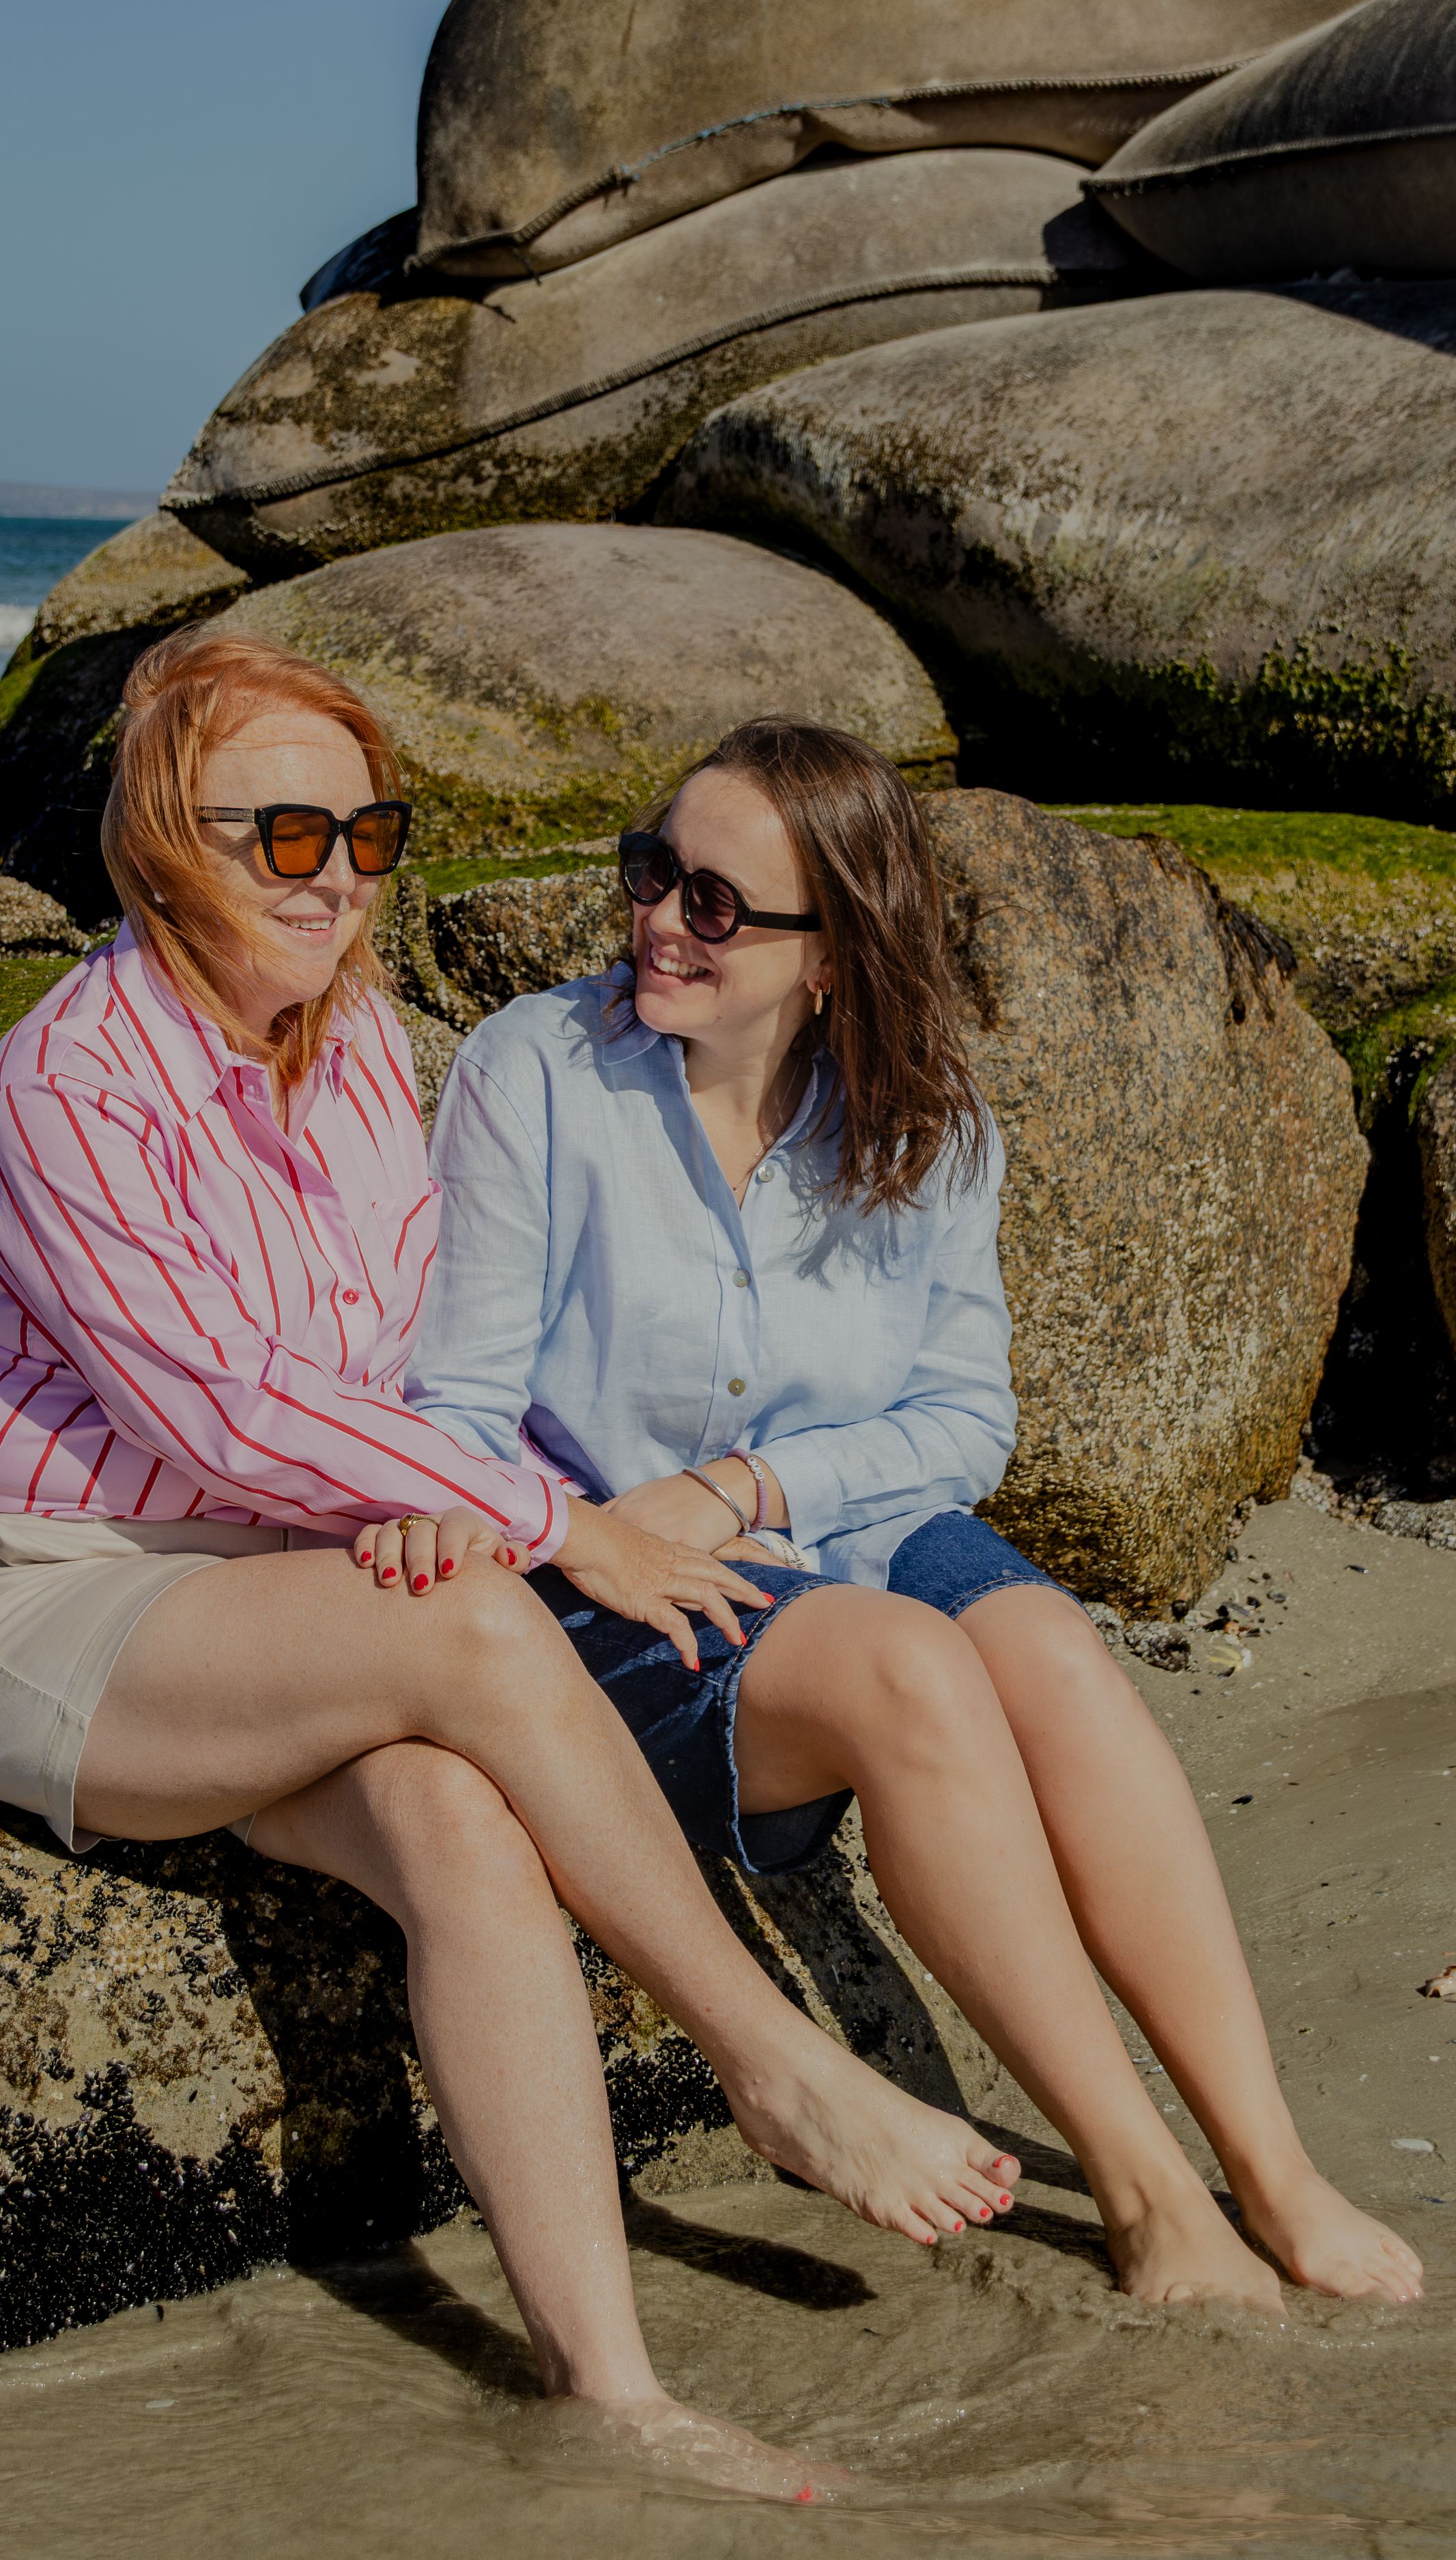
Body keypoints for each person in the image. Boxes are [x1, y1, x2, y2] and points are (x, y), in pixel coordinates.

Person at [0, 633, 1029, 2502]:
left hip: (279, 1593)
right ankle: (768, 2055)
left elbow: (412, 1378)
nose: (334, 871)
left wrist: (441, 1487)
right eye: (283, 830)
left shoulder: (349, 1066)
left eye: (369, 829)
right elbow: (234, 1411)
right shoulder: (69, 1080)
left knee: (467, 1834)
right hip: (43, 1591)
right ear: (164, 838)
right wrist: (546, 1519)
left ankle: (610, 2387)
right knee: (491, 1621)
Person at [410, 715, 1424, 2312]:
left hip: (827, 1523)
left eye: (717, 903)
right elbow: (453, 1417)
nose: (661, 919)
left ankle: (1270, 2165)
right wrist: (624, 1521)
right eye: (650, 871)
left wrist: (751, 1484)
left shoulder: (923, 1121)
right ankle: (1152, 2195)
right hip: (610, 1591)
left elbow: (964, 1424)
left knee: (1052, 1655)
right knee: (910, 1672)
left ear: (833, 956)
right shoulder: (537, 1073)